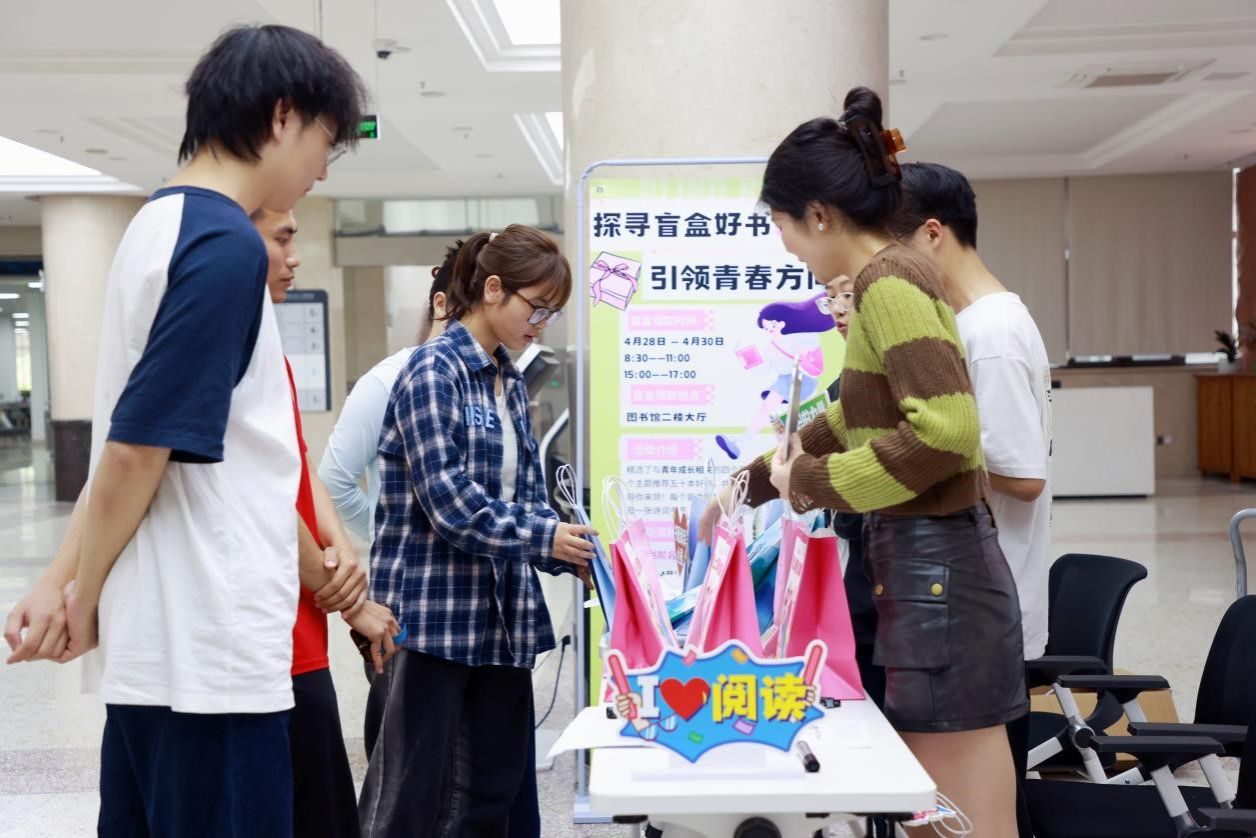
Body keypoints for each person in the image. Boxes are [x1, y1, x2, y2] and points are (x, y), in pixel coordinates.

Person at [3, 25, 368, 838]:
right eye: (325, 141)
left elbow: (128, 443)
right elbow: (136, 451)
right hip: (212, 654)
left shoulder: (156, 225)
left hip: (164, 652)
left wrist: (68, 581)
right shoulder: (223, 244)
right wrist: (81, 592)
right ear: (282, 115)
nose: (321, 168)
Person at [701, 88, 1026, 837]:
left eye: (781, 224)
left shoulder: (888, 280)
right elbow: (854, 416)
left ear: (818, 215)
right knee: (941, 814)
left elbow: (946, 432)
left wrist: (809, 484)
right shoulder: (893, 277)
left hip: (940, 577)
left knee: (953, 820)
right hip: (929, 574)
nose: (785, 244)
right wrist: (750, 485)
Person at [358, 225, 596, 837]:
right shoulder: (432, 372)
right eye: (536, 307)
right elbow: (449, 502)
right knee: (411, 799)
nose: (542, 324)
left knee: (490, 798)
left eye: (552, 313)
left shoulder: (508, 379)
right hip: (430, 622)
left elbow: (526, 498)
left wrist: (571, 549)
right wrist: (543, 538)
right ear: (493, 290)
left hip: (500, 622)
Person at [888, 161, 1053, 838]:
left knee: (978, 815)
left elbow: (1022, 473)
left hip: (983, 608)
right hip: (970, 602)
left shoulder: (991, 335)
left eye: (892, 250)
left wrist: (914, 452)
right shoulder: (974, 324)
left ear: (932, 234)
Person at [255, 206, 402, 838]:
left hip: (301, 633)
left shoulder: (268, 352)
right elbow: (256, 490)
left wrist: (342, 558)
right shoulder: (219, 350)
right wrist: (348, 598)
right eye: (281, 238)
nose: (295, 256)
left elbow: (297, 467)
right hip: (258, 644)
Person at [318, 241, 459, 543]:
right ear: (441, 304)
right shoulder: (387, 380)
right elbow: (333, 482)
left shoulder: (497, 381)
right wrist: (387, 538)